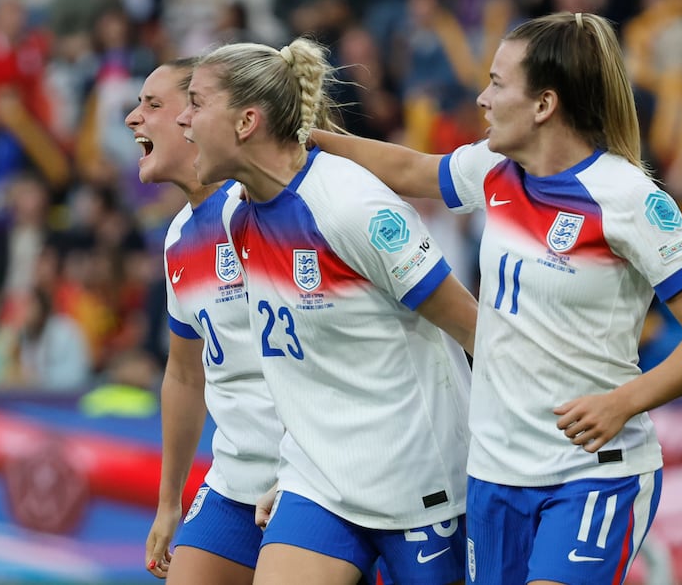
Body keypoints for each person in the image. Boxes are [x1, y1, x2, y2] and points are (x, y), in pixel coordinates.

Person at [311, 11, 682, 585]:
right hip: (495, 472)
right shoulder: (495, 168)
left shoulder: (630, 198)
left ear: (543, 105)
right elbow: (410, 168)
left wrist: (622, 403)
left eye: (497, 83)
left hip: (592, 472)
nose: (482, 99)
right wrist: (308, 142)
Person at [176, 37, 477, 585]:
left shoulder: (350, 206)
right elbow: (303, 364)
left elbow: (475, 330)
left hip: (421, 485)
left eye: (196, 103)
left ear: (246, 122)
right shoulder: (238, 216)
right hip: (317, 484)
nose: (182, 119)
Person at [126, 57, 284, 584]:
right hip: (234, 480)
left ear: (195, 116)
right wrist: (168, 500)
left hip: (310, 479)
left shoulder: (262, 209)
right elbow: (184, 374)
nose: (133, 118)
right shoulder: (177, 238)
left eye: (153, 104)